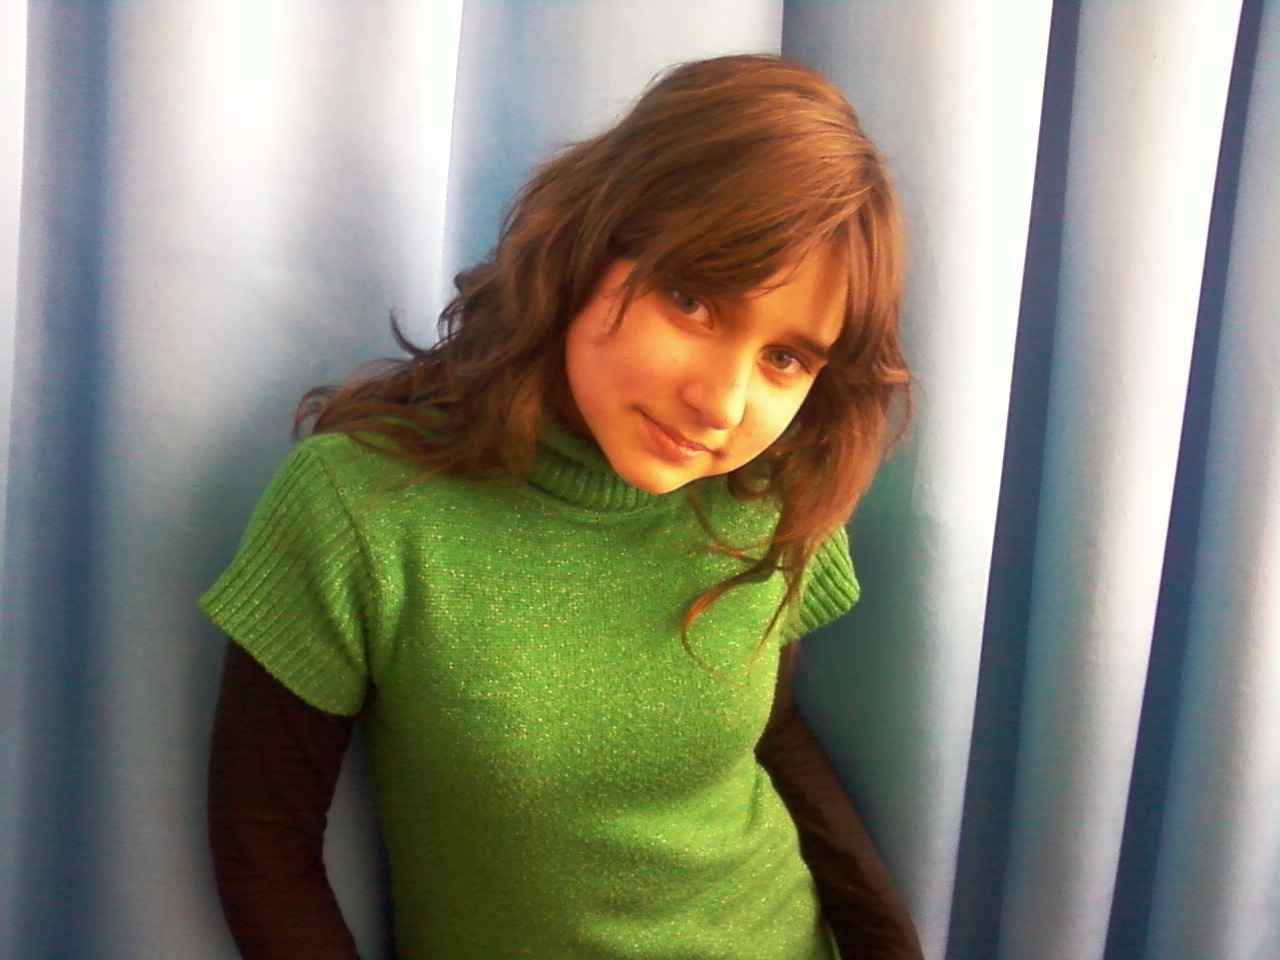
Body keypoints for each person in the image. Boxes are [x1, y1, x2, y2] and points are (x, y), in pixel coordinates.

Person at [204, 53, 923, 960]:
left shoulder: (768, 493)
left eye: (786, 358)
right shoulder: (362, 510)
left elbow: (773, 732)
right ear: (584, 245)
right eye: (694, 301)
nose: (722, 404)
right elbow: (265, 854)